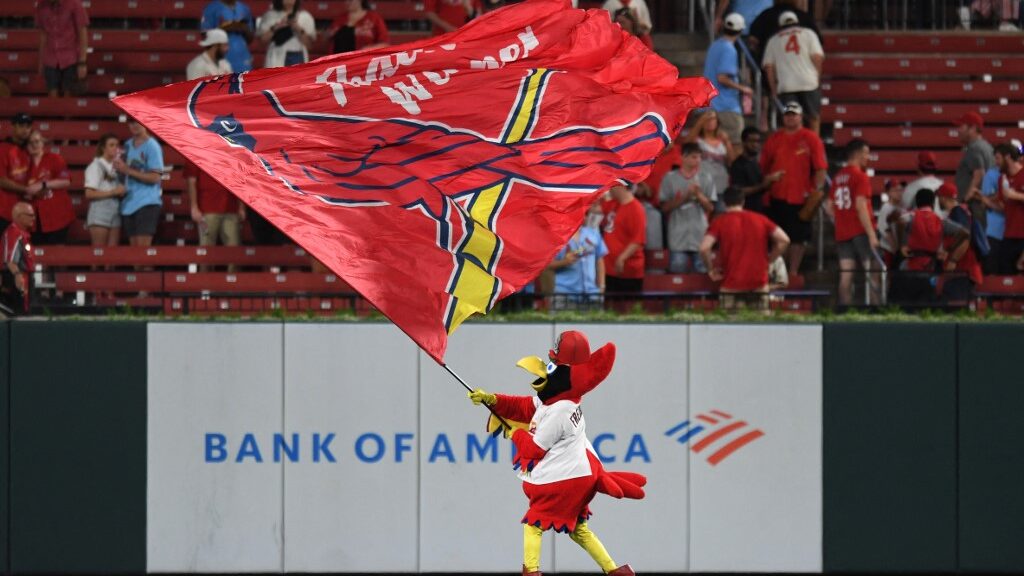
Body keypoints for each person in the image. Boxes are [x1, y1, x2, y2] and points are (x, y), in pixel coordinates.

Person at [466, 331, 643, 576]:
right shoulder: (557, 400)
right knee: (578, 530)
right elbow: (525, 406)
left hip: (565, 480)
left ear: (567, 376)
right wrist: (492, 399)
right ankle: (615, 571)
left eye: (554, 365)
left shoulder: (560, 410)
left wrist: (513, 434)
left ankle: (531, 571)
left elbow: (533, 450)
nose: (547, 370)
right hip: (582, 474)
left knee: (533, 524)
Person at [760, 101, 827, 275]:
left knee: (798, 237)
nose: (790, 117)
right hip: (777, 195)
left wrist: (816, 191)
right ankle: (778, 271)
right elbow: (763, 167)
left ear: (800, 117)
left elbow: (820, 168)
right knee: (778, 236)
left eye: (793, 114)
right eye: (787, 114)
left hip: (801, 196)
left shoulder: (811, 138)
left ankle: (793, 272)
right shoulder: (774, 139)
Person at [700, 186, 790, 310]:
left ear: (724, 202)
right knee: (759, 326)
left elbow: (704, 248)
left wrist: (710, 269)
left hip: (731, 285)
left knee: (729, 327)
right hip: (759, 285)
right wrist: (769, 260)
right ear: (743, 201)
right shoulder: (761, 219)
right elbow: (784, 240)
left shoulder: (719, 222)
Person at [826, 139, 880, 305]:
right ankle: (875, 310)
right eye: (866, 153)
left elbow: (829, 206)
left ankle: (845, 311)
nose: (868, 157)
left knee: (846, 274)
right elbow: (860, 206)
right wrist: (871, 234)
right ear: (857, 153)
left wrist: (841, 219)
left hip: (843, 233)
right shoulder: (860, 176)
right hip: (861, 231)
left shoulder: (838, 177)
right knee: (873, 271)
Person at [893, 188, 968, 304]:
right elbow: (964, 233)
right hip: (932, 268)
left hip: (911, 265)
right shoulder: (941, 220)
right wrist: (949, 250)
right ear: (933, 203)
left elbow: (900, 222)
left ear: (917, 203)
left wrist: (901, 245)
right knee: (930, 302)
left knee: (906, 302)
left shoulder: (911, 216)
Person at [762, 11, 825, 134]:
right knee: (814, 117)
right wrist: (817, 76)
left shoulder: (774, 40)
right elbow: (817, 57)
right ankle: (814, 144)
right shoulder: (809, 33)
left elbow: (769, 67)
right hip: (809, 82)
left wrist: (773, 89)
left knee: (789, 119)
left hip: (786, 85)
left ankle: (793, 146)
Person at [660, 142, 716, 273]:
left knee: (701, 277)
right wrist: (685, 197)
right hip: (678, 236)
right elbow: (664, 207)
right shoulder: (669, 178)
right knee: (677, 274)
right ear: (683, 157)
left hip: (699, 235)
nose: (698, 160)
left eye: (699, 157)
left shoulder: (706, 178)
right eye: (694, 157)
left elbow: (710, 208)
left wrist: (699, 195)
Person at [703, 13, 751, 145]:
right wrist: (744, 88)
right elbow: (722, 77)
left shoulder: (715, 45)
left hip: (710, 103)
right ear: (740, 31)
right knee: (735, 144)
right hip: (726, 105)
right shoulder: (729, 49)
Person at [549, 202, 607, 309]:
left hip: (592, 294)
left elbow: (599, 261)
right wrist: (564, 262)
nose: (583, 216)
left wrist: (601, 287)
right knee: (565, 326)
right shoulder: (557, 237)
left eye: (584, 213)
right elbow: (546, 266)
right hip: (565, 294)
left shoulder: (593, 234)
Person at [115, 119, 163, 247]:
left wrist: (128, 170)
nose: (134, 125)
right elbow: (122, 171)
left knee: (143, 253)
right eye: (131, 122)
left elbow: (155, 177)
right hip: (128, 203)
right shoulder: (127, 145)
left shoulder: (152, 146)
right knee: (134, 254)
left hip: (147, 202)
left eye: (137, 121)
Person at [23, 129, 73, 245]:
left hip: (57, 214)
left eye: (37, 141)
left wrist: (43, 184)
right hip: (33, 216)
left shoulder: (54, 158)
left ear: (42, 142)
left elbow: (66, 181)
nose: (34, 145)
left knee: (57, 252)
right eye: (30, 142)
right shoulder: (23, 163)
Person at [936, 183, 983, 303]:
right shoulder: (963, 210)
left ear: (944, 198)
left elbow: (965, 237)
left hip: (962, 270)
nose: (938, 200)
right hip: (965, 270)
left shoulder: (957, 212)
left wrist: (953, 260)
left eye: (939, 197)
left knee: (956, 306)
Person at [36, 0, 90, 97]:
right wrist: (41, 61)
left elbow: (82, 32)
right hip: (50, 57)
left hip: (70, 57)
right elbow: (43, 34)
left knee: (68, 97)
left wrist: (82, 61)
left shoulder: (74, 4)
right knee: (52, 97)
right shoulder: (41, 5)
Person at [185, 160, 244, 249]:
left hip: (231, 208)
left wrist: (241, 207)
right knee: (206, 250)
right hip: (207, 209)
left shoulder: (231, 152)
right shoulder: (196, 152)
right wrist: (194, 208)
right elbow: (191, 182)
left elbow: (240, 181)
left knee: (234, 251)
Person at [601, 184, 646, 295]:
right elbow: (595, 210)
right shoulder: (612, 204)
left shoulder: (636, 209)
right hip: (609, 268)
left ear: (622, 186)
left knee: (627, 308)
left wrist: (621, 258)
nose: (609, 188)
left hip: (627, 271)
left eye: (612, 185)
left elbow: (638, 240)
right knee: (610, 308)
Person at [84, 133, 125, 248]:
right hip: (99, 210)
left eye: (117, 145)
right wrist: (113, 192)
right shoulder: (95, 166)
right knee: (98, 252)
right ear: (103, 148)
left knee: (112, 255)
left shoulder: (118, 166)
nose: (115, 148)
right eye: (111, 145)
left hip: (115, 209)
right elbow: (89, 193)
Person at [729, 126, 782, 213]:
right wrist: (763, 185)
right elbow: (739, 191)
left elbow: (760, 185)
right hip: (746, 211)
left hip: (759, 208)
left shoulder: (755, 162)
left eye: (758, 141)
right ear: (743, 142)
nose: (755, 144)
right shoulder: (737, 165)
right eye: (751, 141)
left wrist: (770, 180)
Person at [954, 111, 994, 224]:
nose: (959, 130)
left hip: (974, 206)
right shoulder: (986, 146)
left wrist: (965, 201)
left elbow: (979, 175)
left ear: (972, 128)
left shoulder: (974, 148)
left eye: (961, 126)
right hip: (983, 203)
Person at [685, 110, 735, 199]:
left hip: (721, 184)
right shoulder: (697, 140)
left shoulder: (723, 140)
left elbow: (732, 161)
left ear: (717, 122)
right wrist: (700, 121)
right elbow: (687, 144)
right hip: (703, 186)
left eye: (713, 119)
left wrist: (727, 142)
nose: (710, 122)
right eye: (707, 119)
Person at [975, 146, 1008, 273]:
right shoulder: (991, 174)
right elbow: (985, 201)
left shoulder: (1019, 175)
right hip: (994, 231)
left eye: (999, 158)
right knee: (991, 270)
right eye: (996, 158)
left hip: (1013, 232)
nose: (997, 161)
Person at [0, 113, 35, 231]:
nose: (25, 130)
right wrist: (26, 189)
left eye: (28, 126)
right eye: (21, 126)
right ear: (13, 127)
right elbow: (2, 181)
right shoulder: (3, 148)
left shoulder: (29, 150)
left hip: (21, 210)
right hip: (3, 209)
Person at [257, 0, 316, 68]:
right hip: (276, 56)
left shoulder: (305, 16)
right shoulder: (270, 16)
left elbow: (309, 45)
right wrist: (277, 26)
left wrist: (297, 28)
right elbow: (262, 41)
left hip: (298, 55)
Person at [201, 0, 255, 73]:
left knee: (246, 82)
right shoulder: (211, 8)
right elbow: (205, 35)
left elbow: (250, 38)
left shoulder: (244, 8)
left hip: (243, 57)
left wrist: (243, 28)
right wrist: (226, 28)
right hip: (222, 59)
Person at [994, 142, 1024, 274]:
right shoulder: (1002, 179)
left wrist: (1015, 195)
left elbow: (1012, 197)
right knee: (1005, 273)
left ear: (1007, 157)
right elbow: (1003, 206)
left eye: (998, 158)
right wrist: (983, 200)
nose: (996, 162)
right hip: (1009, 234)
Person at [1, 203, 36, 315]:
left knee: (25, 310)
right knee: (20, 312)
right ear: (19, 216)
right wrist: (17, 275)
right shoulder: (14, 233)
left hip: (24, 276)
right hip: (16, 278)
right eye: (30, 215)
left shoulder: (22, 233)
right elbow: (10, 260)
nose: (33, 218)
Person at [877, 179, 906, 269]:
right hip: (888, 250)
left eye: (901, 190)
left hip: (899, 249)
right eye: (896, 190)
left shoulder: (902, 207)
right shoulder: (886, 208)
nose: (899, 193)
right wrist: (895, 249)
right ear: (889, 192)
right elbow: (884, 229)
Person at [643, 140, 681, 206]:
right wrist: (644, 188)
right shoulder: (649, 154)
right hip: (651, 202)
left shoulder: (678, 151)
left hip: (671, 203)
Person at [634, 182, 663, 251]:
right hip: (632, 205)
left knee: (654, 215)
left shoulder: (654, 214)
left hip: (652, 208)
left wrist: (644, 186)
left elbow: (649, 193)